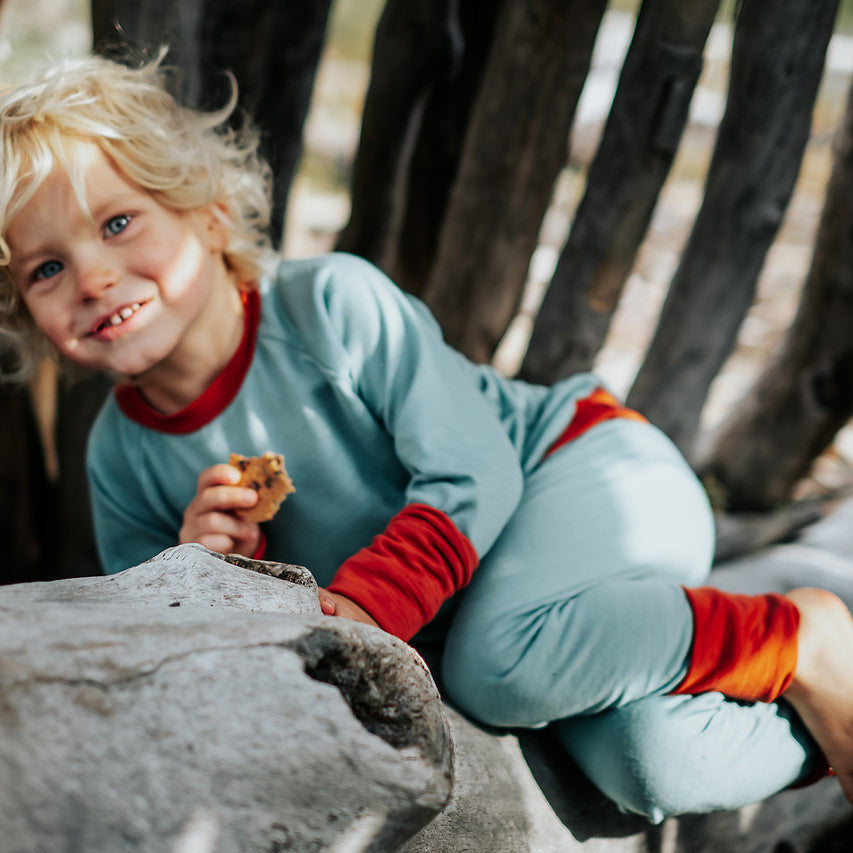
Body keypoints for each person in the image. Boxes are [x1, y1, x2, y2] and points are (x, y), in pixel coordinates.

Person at [1, 51, 851, 823]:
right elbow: (163, 641)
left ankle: (800, 631)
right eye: (46, 267)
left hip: (584, 471)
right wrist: (200, 568)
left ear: (211, 215)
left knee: (498, 668)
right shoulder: (120, 455)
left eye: (117, 223)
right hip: (505, 618)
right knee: (644, 767)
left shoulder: (329, 307)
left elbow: (474, 473)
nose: (94, 276)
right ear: (28, 317)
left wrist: (370, 608)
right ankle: (821, 713)